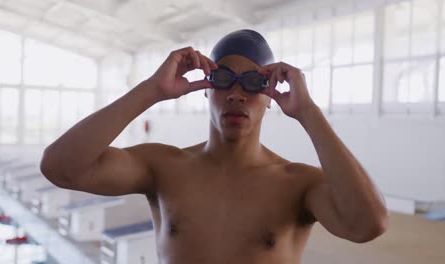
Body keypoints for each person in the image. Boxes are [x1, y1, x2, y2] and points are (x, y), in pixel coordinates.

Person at [40, 29, 388, 263]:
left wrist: (309, 113)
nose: (236, 94)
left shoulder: (298, 183)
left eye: (253, 83)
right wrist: (152, 89)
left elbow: (368, 225)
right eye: (223, 80)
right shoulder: (163, 166)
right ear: (206, 88)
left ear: (270, 97)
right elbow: (60, 167)